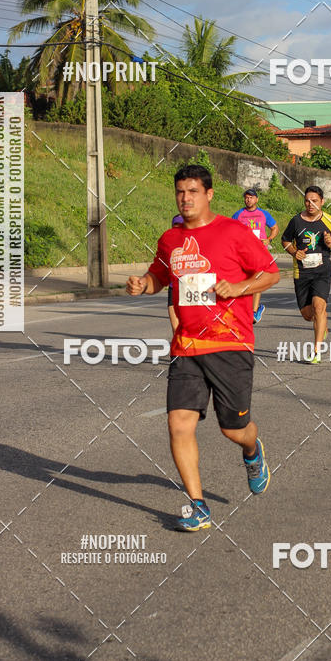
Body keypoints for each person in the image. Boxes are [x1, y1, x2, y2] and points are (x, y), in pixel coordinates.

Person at [126, 164, 280, 531]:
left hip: (230, 343)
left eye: (193, 191)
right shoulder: (170, 239)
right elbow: (158, 277)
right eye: (180, 191)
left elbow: (271, 272)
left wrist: (239, 289)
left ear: (209, 194)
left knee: (233, 429)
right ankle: (198, 505)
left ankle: (252, 450)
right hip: (186, 346)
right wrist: (142, 284)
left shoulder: (234, 231)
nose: (185, 198)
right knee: (178, 423)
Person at [281, 186, 331, 364]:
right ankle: (322, 324)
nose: (310, 204)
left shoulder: (329, 220)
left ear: (322, 202)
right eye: (307, 201)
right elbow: (285, 240)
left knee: (319, 307)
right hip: (301, 272)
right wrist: (294, 252)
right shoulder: (296, 221)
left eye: (314, 201)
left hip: (321, 271)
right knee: (307, 314)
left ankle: (316, 351)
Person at [232, 188, 279, 323]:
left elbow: (275, 228)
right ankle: (249, 307)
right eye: (246, 197)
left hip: (260, 252)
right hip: (243, 253)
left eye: (251, 197)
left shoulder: (263, 214)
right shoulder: (238, 215)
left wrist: (269, 239)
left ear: (256, 199)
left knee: (257, 279)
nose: (248, 200)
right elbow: (231, 230)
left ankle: (254, 311)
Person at [167, 213, 184, 334]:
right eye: (175, 226)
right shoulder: (167, 245)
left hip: (192, 288)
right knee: (176, 328)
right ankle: (178, 353)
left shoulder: (197, 243)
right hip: (174, 288)